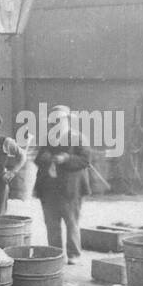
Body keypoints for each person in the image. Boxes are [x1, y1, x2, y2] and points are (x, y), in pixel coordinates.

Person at [32, 105, 91, 264]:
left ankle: (74, 254)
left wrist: (67, 159)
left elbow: (85, 161)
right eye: (53, 121)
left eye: (59, 120)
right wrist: (44, 157)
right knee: (52, 223)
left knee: (71, 222)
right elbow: (37, 159)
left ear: (67, 120)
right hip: (49, 188)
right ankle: (56, 253)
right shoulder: (48, 139)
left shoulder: (78, 138)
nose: (55, 123)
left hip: (71, 189)